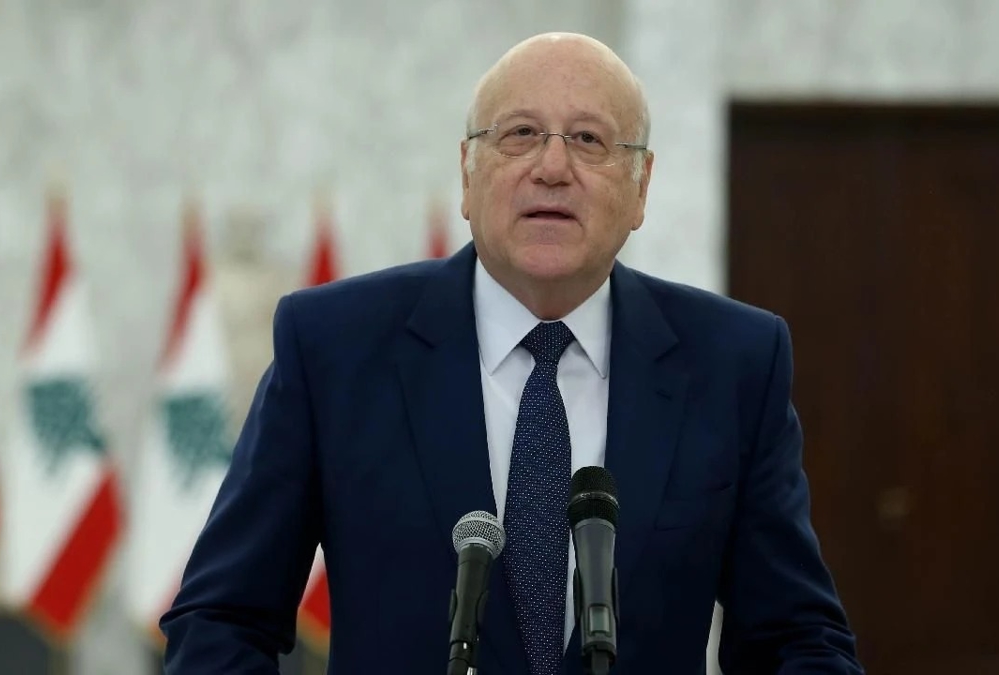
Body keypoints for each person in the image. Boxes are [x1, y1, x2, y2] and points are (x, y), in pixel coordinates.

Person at [160, 32, 863, 674]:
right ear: (468, 175)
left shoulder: (733, 364)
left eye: (589, 139)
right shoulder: (335, 347)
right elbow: (220, 621)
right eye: (520, 134)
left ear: (641, 187)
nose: (552, 167)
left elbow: (798, 641)